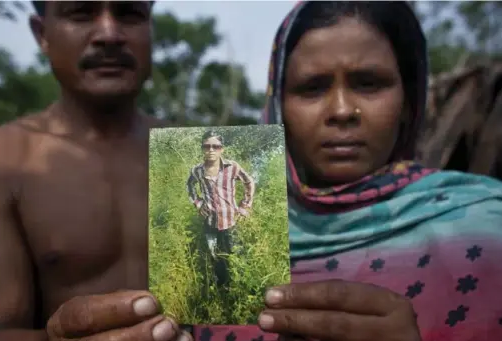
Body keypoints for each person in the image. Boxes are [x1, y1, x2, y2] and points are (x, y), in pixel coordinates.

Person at [192, 2, 502, 341]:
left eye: (368, 83)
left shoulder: (486, 227)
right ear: (278, 108)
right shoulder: (223, 233)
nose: (341, 111)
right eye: (312, 88)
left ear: (408, 103)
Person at [0, 2, 193, 341]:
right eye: (81, 13)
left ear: (150, 27)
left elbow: (245, 313)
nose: (109, 34)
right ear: (42, 34)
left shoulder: (199, 153)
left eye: (129, 14)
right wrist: (56, 337)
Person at [186, 130, 255, 291]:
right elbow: (189, 186)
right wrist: (197, 203)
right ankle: (222, 288)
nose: (211, 150)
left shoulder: (232, 167)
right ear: (202, 148)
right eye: (207, 146)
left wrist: (245, 206)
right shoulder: (197, 170)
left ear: (221, 149)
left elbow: (249, 182)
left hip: (230, 221)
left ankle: (242, 288)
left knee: (236, 253)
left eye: (215, 146)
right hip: (209, 223)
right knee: (215, 256)